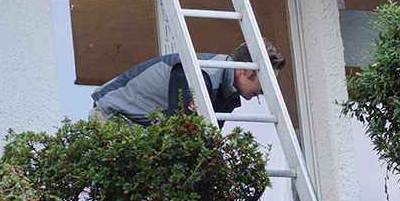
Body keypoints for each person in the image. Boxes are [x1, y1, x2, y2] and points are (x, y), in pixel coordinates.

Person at [90, 41, 286, 124]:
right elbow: (179, 128)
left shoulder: (226, 92)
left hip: (140, 126)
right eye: (267, 82)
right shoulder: (201, 73)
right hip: (114, 117)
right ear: (246, 69)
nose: (266, 91)